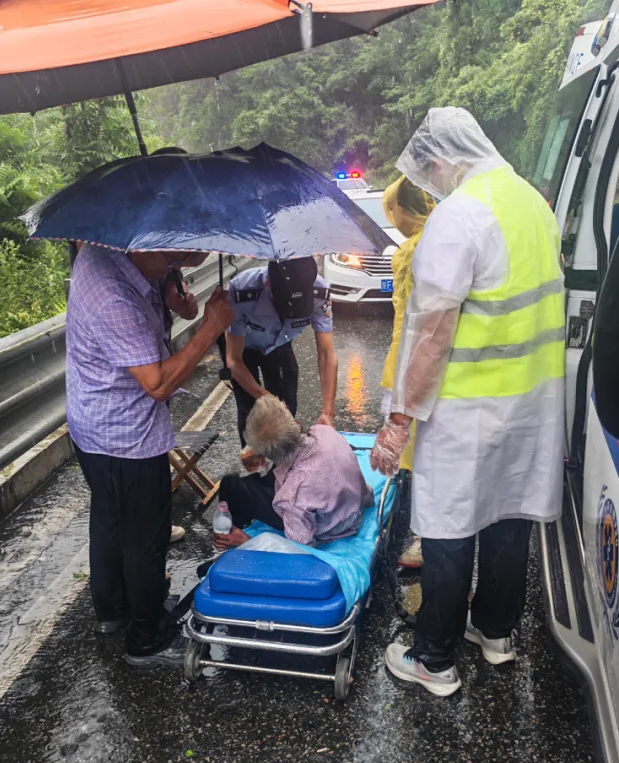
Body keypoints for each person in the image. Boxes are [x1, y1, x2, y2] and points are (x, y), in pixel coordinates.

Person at [371, 107, 565, 697]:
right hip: (530, 405)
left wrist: (398, 420)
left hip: (465, 410)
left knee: (448, 526)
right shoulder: (532, 201)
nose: (432, 181)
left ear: (446, 156)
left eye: (430, 168)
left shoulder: (459, 217)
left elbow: (431, 336)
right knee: (508, 515)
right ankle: (496, 633)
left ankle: (434, 659)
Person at [67, 242, 234, 667]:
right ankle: (147, 637)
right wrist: (211, 328)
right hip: (126, 437)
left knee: (108, 516)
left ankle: (111, 610)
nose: (180, 262)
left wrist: (168, 284)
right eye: (173, 256)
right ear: (143, 242)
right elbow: (158, 384)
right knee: (146, 537)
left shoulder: (107, 251)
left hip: (94, 425)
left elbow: (175, 262)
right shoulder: (112, 296)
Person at [212, 396, 373, 550]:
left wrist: (249, 542)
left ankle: (229, 540)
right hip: (348, 505)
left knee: (231, 484)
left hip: (328, 526)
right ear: (297, 424)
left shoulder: (291, 498)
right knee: (246, 476)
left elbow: (302, 550)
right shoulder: (325, 432)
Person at [378, 176, 435, 569]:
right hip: (418, 359)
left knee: (424, 449)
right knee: (417, 449)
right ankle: (416, 523)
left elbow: (416, 322)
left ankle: (426, 539)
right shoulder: (439, 238)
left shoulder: (416, 251)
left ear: (400, 209)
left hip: (415, 361)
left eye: (391, 210)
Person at [225, 256, 338, 445]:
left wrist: (328, 413)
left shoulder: (320, 292)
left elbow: (326, 355)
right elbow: (234, 360)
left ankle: (283, 468)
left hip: (280, 343)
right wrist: (268, 400)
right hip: (243, 349)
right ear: (268, 285)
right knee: (252, 412)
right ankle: (254, 467)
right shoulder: (242, 291)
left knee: (288, 405)